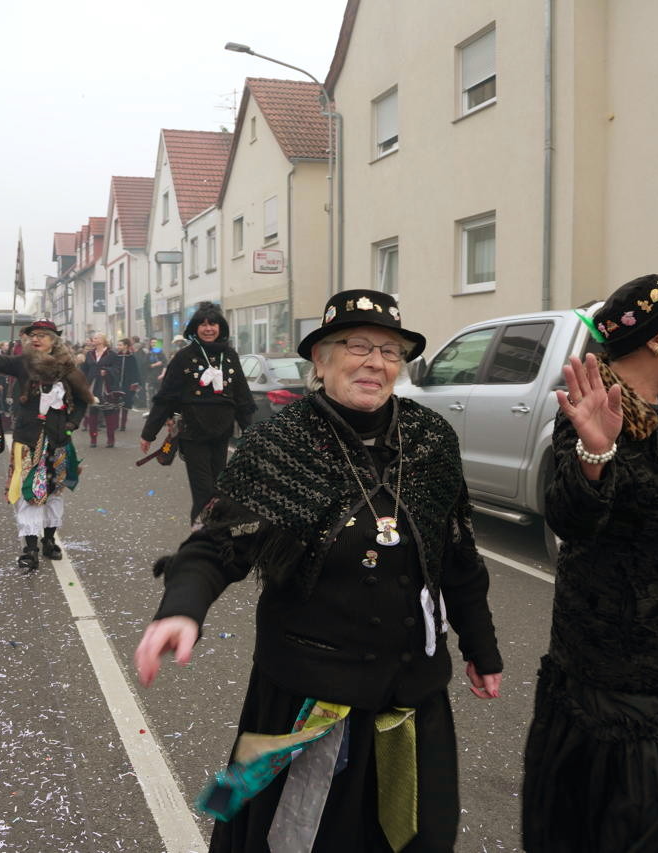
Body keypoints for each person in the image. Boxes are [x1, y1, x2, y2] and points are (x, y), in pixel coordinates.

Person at [134, 289, 503, 852]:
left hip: (412, 698)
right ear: (321, 360)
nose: (375, 362)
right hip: (310, 703)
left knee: (417, 840)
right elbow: (217, 544)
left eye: (390, 350)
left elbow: (455, 556)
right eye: (356, 346)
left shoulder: (431, 440)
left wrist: (482, 646)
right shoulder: (281, 443)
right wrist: (181, 610)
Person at [520, 275, 658, 852]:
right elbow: (570, 516)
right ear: (652, 340)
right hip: (618, 680)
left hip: (650, 667)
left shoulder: (654, 410)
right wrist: (594, 454)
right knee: (648, 823)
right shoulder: (596, 416)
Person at [0, 312, 93, 574]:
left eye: (43, 336)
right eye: (33, 335)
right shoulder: (22, 363)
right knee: (29, 493)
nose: (36, 339)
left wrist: (72, 424)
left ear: (54, 341)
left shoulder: (67, 368)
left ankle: (49, 539)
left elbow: (82, 399)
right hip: (27, 440)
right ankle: (30, 548)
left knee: (53, 492)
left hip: (59, 440)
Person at [139, 303, 256, 523]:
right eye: (203, 324)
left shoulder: (230, 355)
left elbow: (242, 398)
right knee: (203, 492)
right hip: (194, 433)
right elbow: (166, 398)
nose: (208, 328)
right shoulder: (184, 357)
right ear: (195, 328)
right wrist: (149, 433)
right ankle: (200, 538)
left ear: (220, 327)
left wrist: (251, 434)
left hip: (222, 434)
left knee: (220, 489)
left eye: (213, 323)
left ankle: (216, 535)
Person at [81, 333, 122, 448]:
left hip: (106, 387)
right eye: (92, 338)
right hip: (92, 386)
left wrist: (107, 371)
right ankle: (93, 439)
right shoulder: (89, 354)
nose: (93, 340)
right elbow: (84, 370)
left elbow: (117, 369)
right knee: (93, 413)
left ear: (103, 340)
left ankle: (110, 439)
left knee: (108, 412)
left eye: (95, 338)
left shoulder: (112, 354)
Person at [117, 338, 141, 431]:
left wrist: (135, 383)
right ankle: (115, 424)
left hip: (128, 384)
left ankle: (123, 424)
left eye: (120, 345)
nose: (118, 347)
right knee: (116, 404)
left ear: (125, 346)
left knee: (126, 404)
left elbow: (135, 371)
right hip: (117, 384)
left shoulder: (131, 357)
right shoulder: (116, 356)